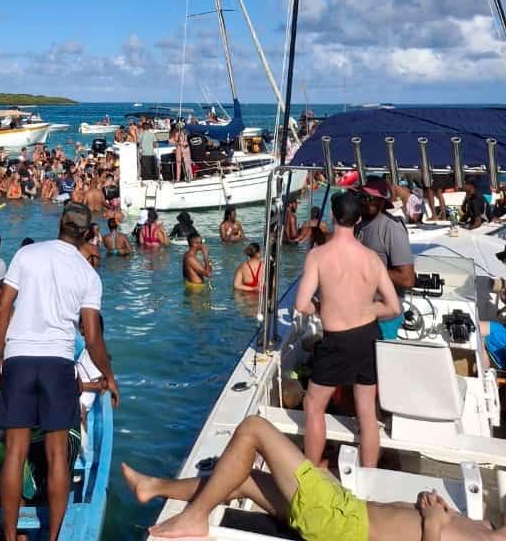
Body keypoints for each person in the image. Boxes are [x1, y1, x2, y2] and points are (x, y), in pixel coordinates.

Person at [121, 414, 500, 541]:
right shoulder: (486, 527)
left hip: (340, 523)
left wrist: (433, 526)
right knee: (243, 479)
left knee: (253, 429)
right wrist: (441, 513)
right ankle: (153, 487)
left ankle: (194, 516)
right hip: (345, 512)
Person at [0, 202, 119, 541]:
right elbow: (92, 337)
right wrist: (110, 376)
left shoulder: (27, 255)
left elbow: (3, 309)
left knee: (15, 453)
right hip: (58, 363)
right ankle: (53, 536)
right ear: (89, 232)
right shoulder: (88, 275)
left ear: (60, 223)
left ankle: (8, 535)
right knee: (57, 453)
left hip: (18, 358)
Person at [295, 190, 401, 468]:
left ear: (333, 215)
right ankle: (369, 478)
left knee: (314, 405)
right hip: (367, 336)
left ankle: (311, 472)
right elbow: (393, 307)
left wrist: (321, 308)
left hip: (336, 341)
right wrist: (367, 310)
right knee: (366, 412)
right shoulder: (371, 258)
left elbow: (301, 304)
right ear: (357, 220)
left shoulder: (318, 256)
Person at [355, 176, 415, 341]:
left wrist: (369, 268)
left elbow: (408, 279)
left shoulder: (391, 227)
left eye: (369, 198)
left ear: (381, 201)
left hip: (384, 318)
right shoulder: (359, 226)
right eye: (360, 197)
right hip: (362, 314)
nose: (364, 202)